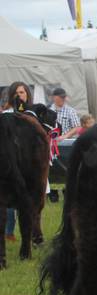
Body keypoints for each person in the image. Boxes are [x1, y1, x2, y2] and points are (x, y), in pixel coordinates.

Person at [2, 82, 34, 241]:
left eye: (22, 92)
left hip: (30, 163)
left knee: (32, 200)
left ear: (27, 93)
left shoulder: (33, 113)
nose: (19, 95)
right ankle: (9, 232)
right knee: (8, 199)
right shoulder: (6, 114)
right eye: (16, 93)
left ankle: (35, 234)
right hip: (10, 162)